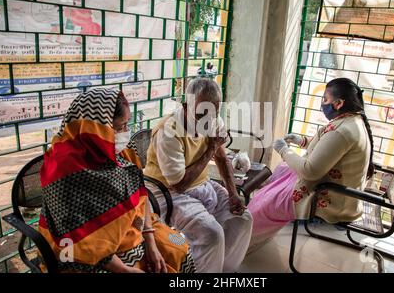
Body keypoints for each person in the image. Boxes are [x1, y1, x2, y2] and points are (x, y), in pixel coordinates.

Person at [39, 88, 196, 273]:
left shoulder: (121, 151)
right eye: (120, 127)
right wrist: (125, 270)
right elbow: (77, 238)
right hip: (82, 250)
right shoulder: (63, 168)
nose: (126, 133)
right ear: (96, 128)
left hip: (135, 227)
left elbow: (141, 194)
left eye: (127, 124)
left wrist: (149, 238)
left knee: (180, 248)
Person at [247, 78, 374, 249]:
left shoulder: (343, 130)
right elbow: (327, 149)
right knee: (282, 172)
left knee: (266, 204)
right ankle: (261, 223)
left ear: (339, 103)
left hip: (331, 198)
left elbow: (310, 171)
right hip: (331, 185)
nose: (323, 103)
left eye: (325, 99)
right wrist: (301, 141)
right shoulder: (351, 121)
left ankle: (243, 240)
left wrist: (284, 150)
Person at [143, 78, 253, 272]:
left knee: (243, 219)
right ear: (186, 106)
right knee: (212, 234)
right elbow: (179, 185)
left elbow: (222, 159)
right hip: (167, 191)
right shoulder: (169, 131)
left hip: (200, 184)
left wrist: (233, 193)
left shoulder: (213, 120)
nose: (208, 120)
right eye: (201, 113)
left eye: (214, 113)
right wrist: (211, 148)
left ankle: (223, 269)